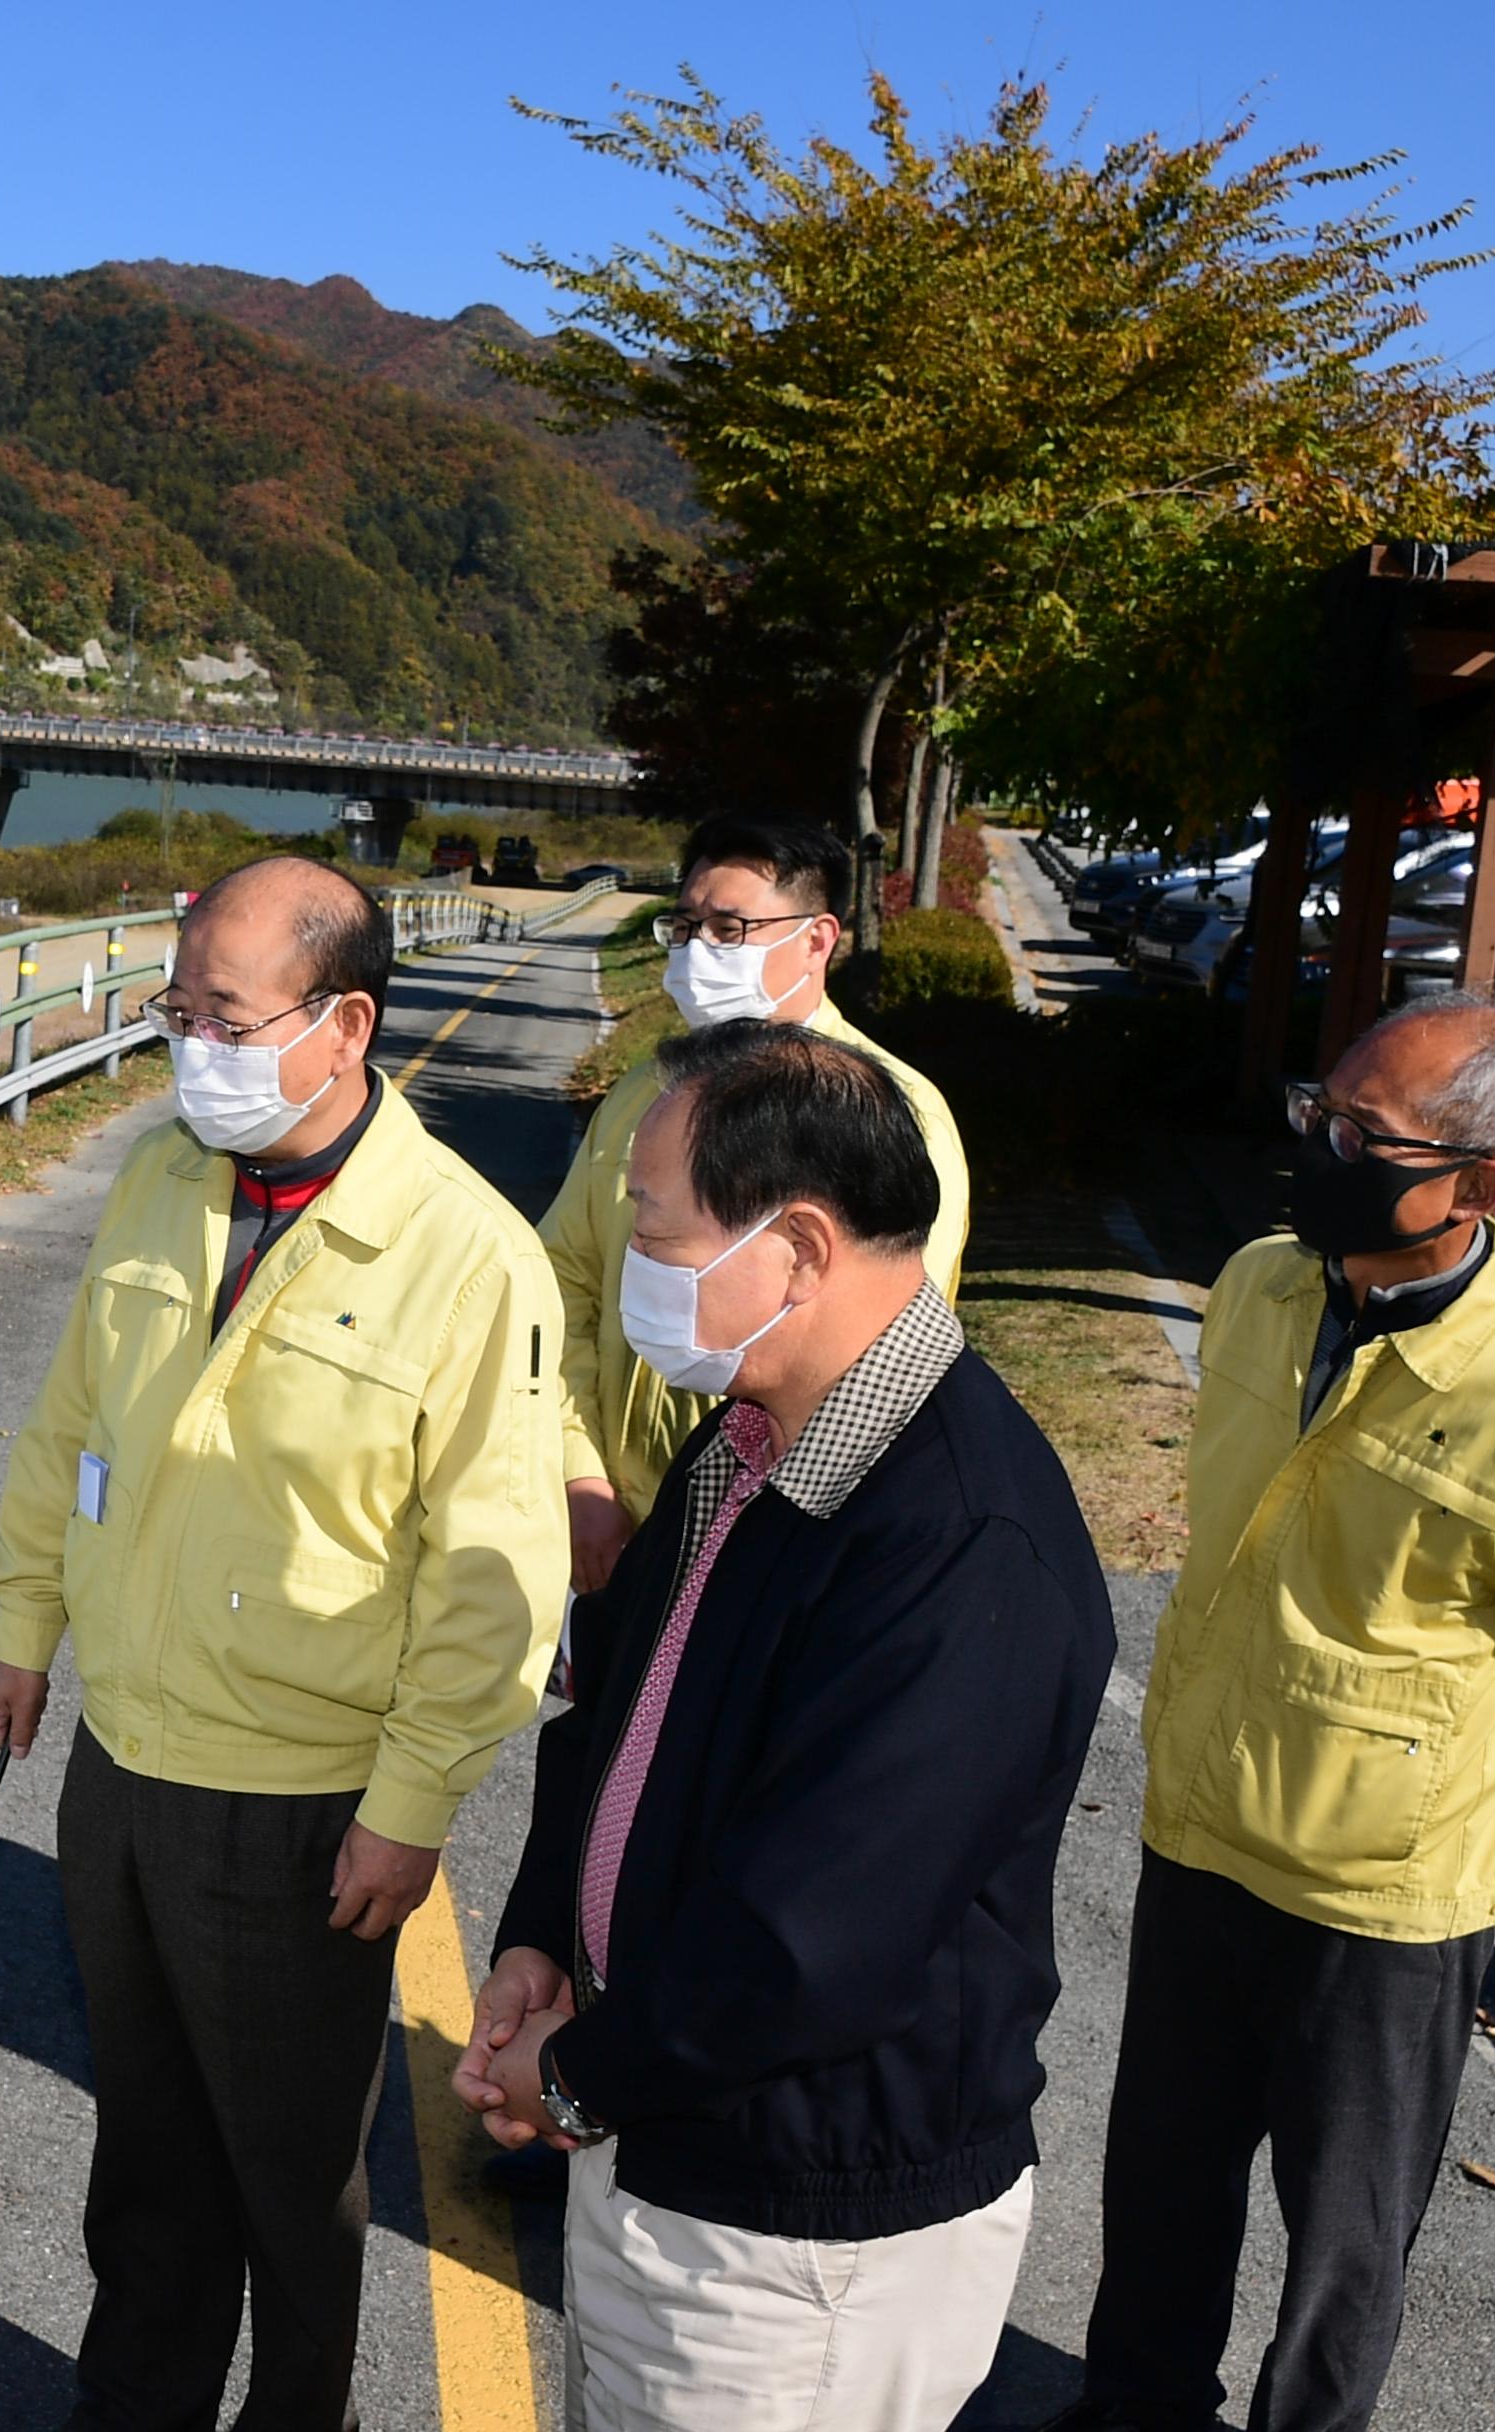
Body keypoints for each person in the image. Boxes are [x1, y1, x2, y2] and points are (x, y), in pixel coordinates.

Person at [0, 854, 570, 2432]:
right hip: (123, 1760)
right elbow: (69, 1425)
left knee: (292, 2182)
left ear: (347, 1022)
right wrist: (24, 1622)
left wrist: (413, 1799)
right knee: (148, 2158)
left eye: (224, 1018)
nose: (193, 1049)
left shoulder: (465, 1254)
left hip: (306, 1803)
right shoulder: (162, 1180)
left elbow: (493, 1573)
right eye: (178, 1011)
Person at [455, 1018, 1112, 2432]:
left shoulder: (958, 1540)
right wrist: (537, 1941)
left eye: (654, 1224)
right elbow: (614, 1707)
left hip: (798, 2239)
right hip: (673, 2142)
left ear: (799, 1249)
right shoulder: (755, 1438)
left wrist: (572, 2078)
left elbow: (814, 1936)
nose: (631, 1259)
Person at [1051, 994, 1495, 2432]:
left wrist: (1436, 1798)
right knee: (1160, 2186)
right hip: (1204, 1834)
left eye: (1364, 1135)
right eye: (1319, 1111)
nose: (1323, 1148)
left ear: (1480, 1189)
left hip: (1386, 1901)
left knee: (1343, 2240)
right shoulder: (1266, 1282)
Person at [545, 815, 972, 1596]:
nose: (696, 949)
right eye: (684, 925)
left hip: (773, 1542)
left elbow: (878, 1355)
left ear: (817, 941)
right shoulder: (650, 1091)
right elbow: (560, 1281)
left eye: (730, 928)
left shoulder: (890, 1112)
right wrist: (580, 1475)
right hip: (621, 1532)